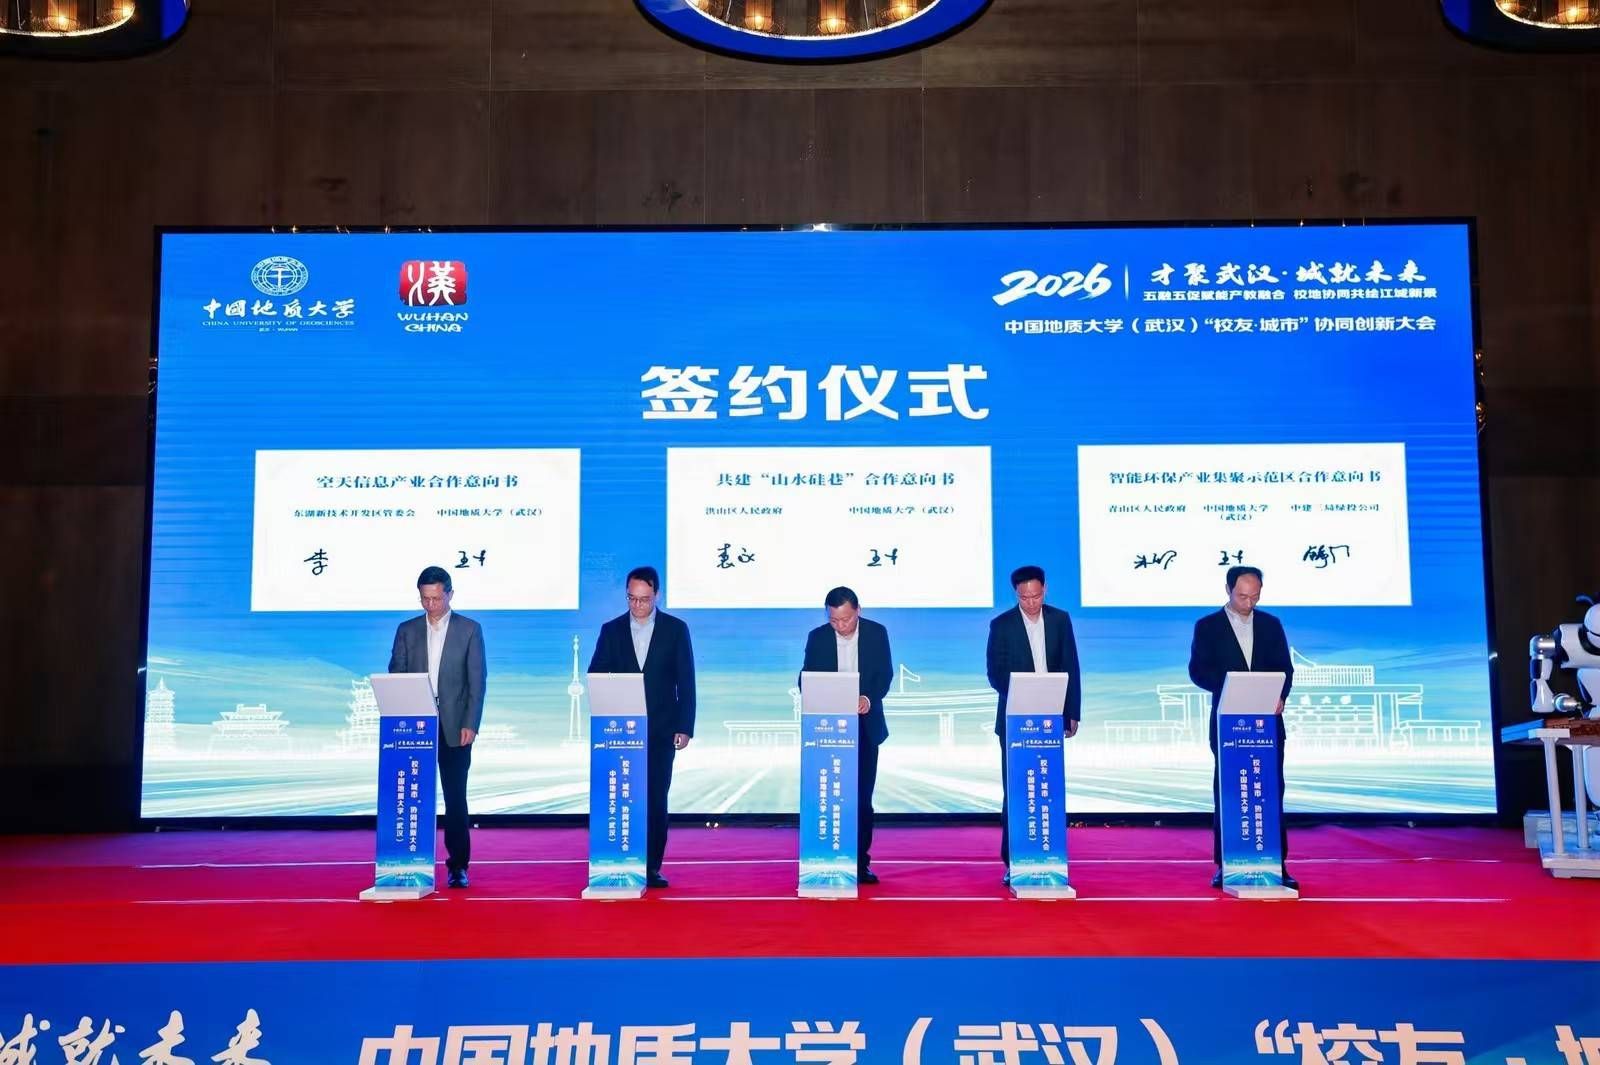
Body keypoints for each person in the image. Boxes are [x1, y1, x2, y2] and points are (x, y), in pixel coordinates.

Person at [1187, 565, 1296, 890]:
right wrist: (1233, 687)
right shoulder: (1208, 626)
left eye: (1255, 597)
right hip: (1227, 724)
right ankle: (1226, 863)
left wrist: (1280, 695)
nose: (1249, 603)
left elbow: (1285, 669)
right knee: (1229, 792)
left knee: (1271, 790)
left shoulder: (1271, 625)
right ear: (1228, 590)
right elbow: (1197, 671)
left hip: (1267, 724)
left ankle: (1277, 863)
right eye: (1242, 596)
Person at [588, 566, 695, 889]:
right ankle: (620, 858)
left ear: (656, 595)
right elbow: (596, 675)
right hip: (620, 732)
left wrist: (685, 726)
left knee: (655, 800)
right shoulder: (611, 630)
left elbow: (686, 681)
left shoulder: (676, 629)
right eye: (632, 599)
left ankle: (651, 866)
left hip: (662, 729)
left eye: (644, 599)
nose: (638, 606)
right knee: (623, 797)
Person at [388, 565, 486, 889]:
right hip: (415, 726)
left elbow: (477, 682)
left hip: (455, 726)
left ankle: (458, 866)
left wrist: (471, 723)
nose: (431, 605)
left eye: (436, 598)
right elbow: (396, 675)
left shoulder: (469, 630)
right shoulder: (407, 630)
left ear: (450, 594)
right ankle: (407, 861)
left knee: (455, 798)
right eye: (425, 599)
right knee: (411, 795)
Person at [985, 565, 1082, 883]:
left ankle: (1050, 855)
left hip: (1052, 717)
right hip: (1016, 717)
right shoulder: (1001, 625)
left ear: (1045, 590)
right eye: (1024, 597)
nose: (1031, 603)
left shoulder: (1060, 620)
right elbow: (995, 672)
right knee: (1016, 789)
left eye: (1036, 596)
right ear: (1016, 594)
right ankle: (1013, 861)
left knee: (1048, 787)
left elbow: (1070, 665)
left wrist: (1072, 711)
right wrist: (1025, 694)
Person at [800, 587, 893, 884]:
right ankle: (825, 858)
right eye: (834, 620)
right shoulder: (817, 637)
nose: (840, 626)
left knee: (861, 798)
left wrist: (867, 698)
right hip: (827, 729)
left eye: (846, 619)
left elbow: (884, 675)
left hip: (865, 727)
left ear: (858, 611)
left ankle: (860, 863)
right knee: (828, 796)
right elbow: (805, 678)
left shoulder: (877, 633)